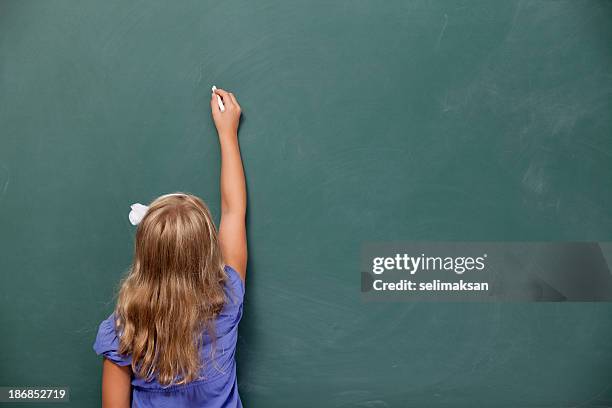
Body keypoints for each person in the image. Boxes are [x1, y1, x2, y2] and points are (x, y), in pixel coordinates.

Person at [93, 88, 247, 407]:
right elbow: (233, 211)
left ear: (145, 255)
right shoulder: (228, 299)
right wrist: (227, 133)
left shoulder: (124, 331)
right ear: (207, 250)